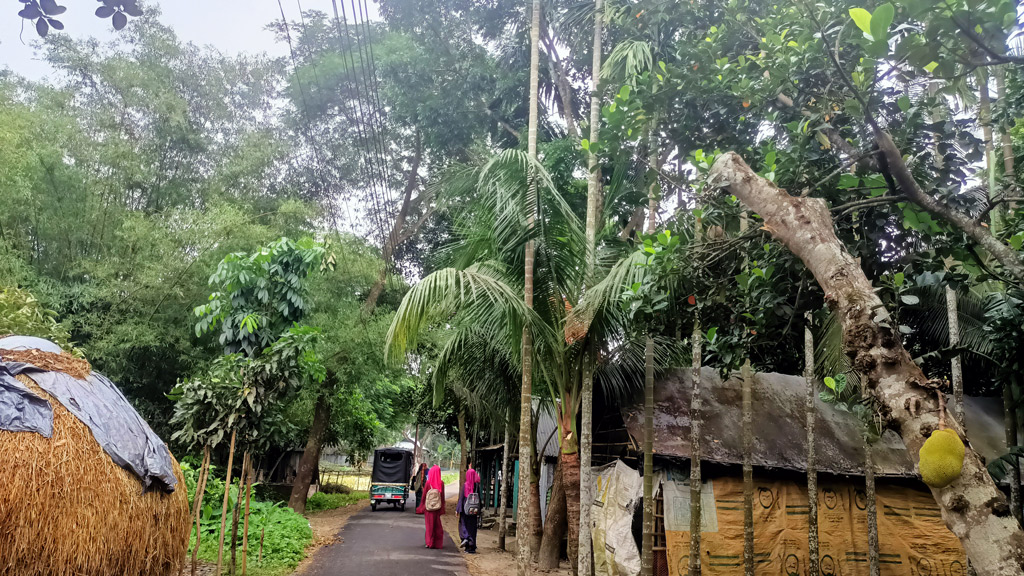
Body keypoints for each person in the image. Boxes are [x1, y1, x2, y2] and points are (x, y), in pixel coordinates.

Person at [457, 466, 481, 553]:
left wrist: (458, 509)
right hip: (473, 511)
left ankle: (466, 538)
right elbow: (479, 498)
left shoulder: (465, 485)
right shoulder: (476, 486)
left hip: (465, 510)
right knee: (472, 528)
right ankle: (472, 547)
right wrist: (479, 510)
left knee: (463, 525)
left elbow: (461, 498)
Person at [424, 465, 446, 549]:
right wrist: (442, 508)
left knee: (429, 526)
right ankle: (438, 543)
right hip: (437, 507)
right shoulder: (441, 483)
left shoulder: (428, 483)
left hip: (429, 508)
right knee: (437, 526)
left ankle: (429, 543)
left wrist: (422, 507)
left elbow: (424, 496)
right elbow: (442, 497)